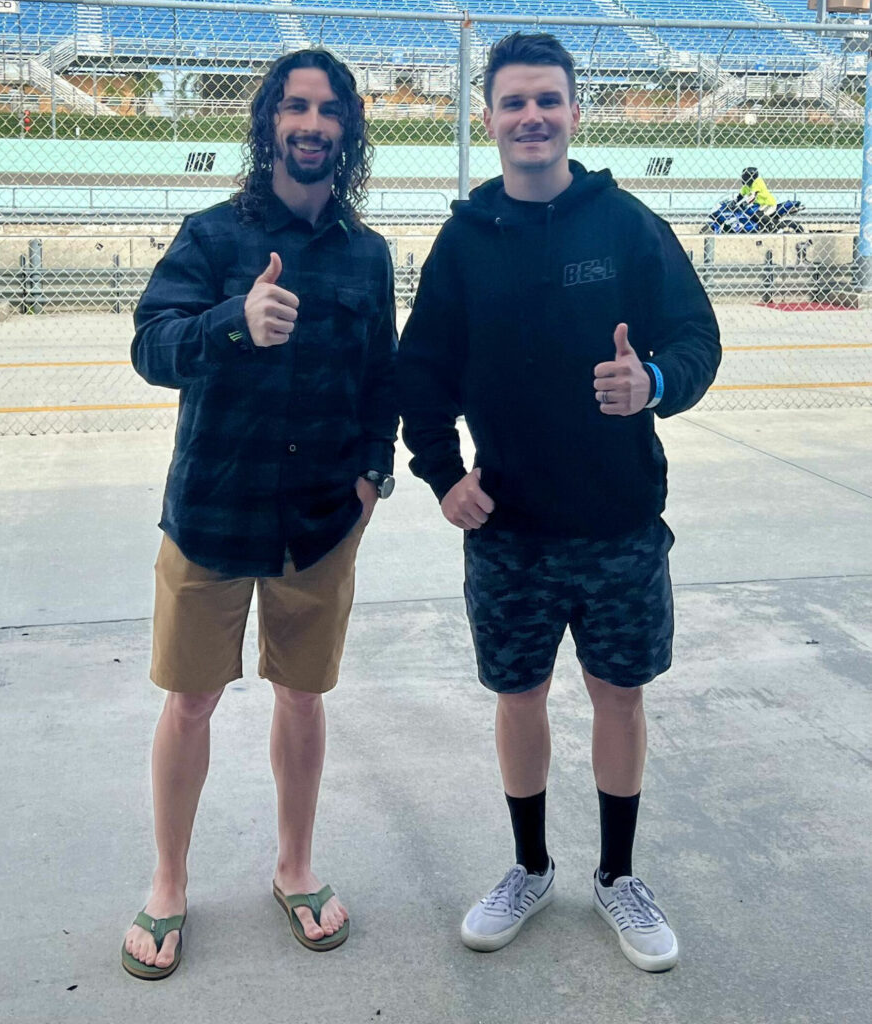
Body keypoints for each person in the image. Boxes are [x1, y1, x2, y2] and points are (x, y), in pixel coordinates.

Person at [398, 32, 721, 972]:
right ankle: (530, 867)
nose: (531, 117)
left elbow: (697, 337)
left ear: (576, 112)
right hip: (508, 532)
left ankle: (618, 878)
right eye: (513, 102)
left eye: (549, 100)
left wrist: (653, 381)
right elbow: (421, 370)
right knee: (520, 696)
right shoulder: (464, 242)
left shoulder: (626, 225)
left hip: (619, 525)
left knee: (617, 697)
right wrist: (440, 474)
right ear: (488, 117)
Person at [121, 47, 397, 979]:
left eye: (328, 111)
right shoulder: (211, 236)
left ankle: (295, 866)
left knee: (303, 695)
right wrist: (234, 319)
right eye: (295, 108)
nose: (311, 125)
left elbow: (382, 382)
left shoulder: (368, 254)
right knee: (190, 698)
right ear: (269, 123)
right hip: (212, 506)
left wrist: (371, 478)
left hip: (321, 518)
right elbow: (151, 346)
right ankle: (167, 882)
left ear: (348, 130)